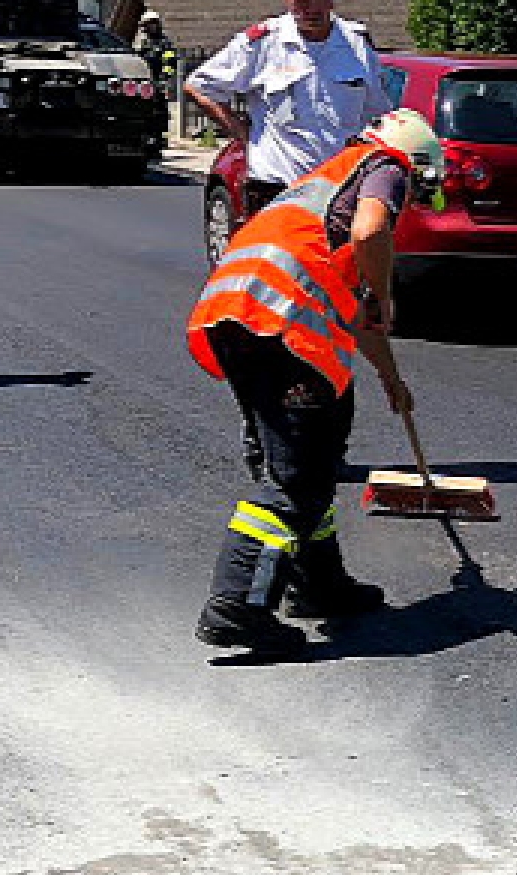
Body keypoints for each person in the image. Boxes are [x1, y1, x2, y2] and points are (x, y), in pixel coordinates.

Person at [187, 109, 441, 655]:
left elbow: (356, 312)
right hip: (277, 327)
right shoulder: (386, 168)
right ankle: (235, 609)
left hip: (243, 318)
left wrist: (390, 378)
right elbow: (371, 232)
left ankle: (317, 584)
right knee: (294, 479)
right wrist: (386, 290)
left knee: (316, 458)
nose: (412, 202)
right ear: (416, 167)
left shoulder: (327, 182)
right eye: (421, 191)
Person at [182, 0, 393, 221]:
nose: (311, 8)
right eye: (302, 1)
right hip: (276, 189)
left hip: (339, 190)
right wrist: (243, 134)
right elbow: (199, 87)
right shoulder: (264, 42)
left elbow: (377, 114)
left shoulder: (356, 45)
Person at [131, 10, 176, 91]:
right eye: (146, 25)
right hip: (142, 80)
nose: (149, 27)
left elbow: (170, 63)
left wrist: (164, 78)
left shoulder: (164, 44)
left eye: (152, 24)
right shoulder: (141, 42)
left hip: (157, 81)